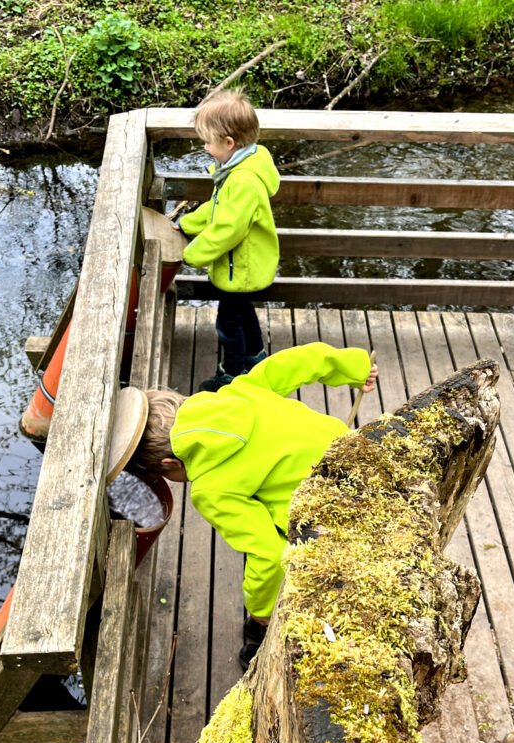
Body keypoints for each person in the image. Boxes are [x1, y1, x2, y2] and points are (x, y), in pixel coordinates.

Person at [131, 342, 379, 669]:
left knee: (278, 557)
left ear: (169, 463)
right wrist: (353, 367)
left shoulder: (210, 490)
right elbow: (301, 360)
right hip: (356, 455)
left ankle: (269, 640)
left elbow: (267, 553)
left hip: (333, 510)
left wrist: (261, 611)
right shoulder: (238, 390)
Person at [175, 89, 280, 392]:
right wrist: (186, 224)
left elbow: (228, 229)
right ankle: (256, 358)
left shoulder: (243, 180)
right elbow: (218, 209)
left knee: (228, 323)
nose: (205, 148)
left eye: (208, 142)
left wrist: (192, 255)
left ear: (229, 143)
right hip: (243, 265)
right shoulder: (237, 168)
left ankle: (232, 373)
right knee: (243, 312)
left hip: (242, 268)